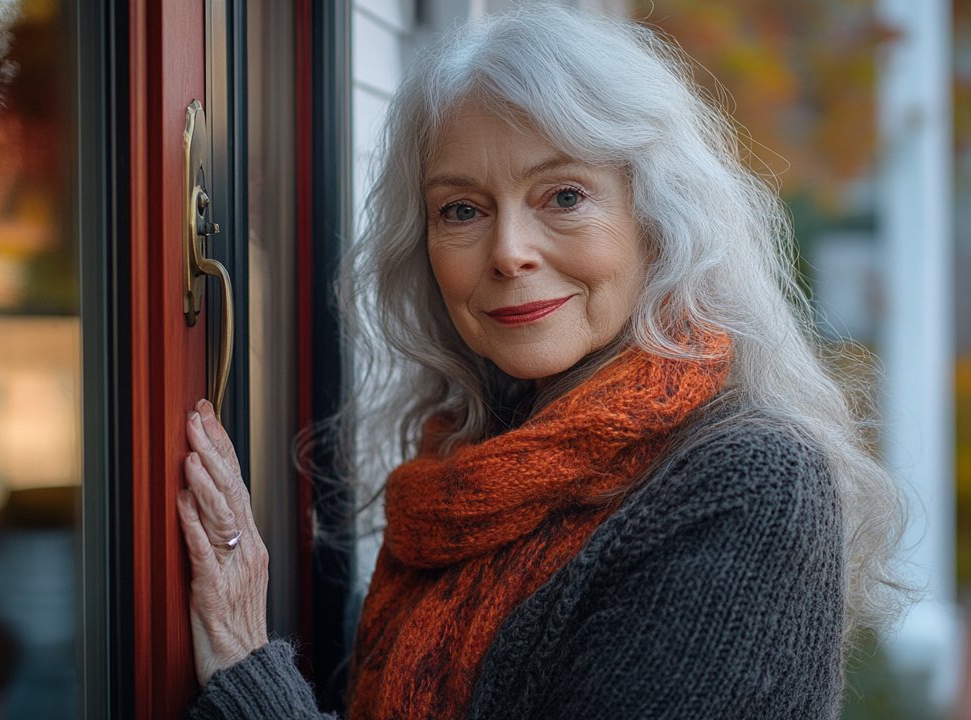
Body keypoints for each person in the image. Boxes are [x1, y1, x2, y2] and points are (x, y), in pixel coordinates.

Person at [177, 5, 906, 719]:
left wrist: (247, 671)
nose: (507, 252)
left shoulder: (746, 483)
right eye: (462, 209)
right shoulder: (468, 465)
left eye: (563, 196)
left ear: (656, 220)